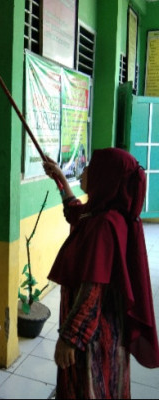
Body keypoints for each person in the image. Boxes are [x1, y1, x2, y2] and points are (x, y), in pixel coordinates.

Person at [43, 148, 159, 399]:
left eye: (90, 167)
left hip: (93, 339)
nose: (84, 171)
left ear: (106, 177)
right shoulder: (103, 213)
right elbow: (75, 211)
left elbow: (91, 293)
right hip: (102, 332)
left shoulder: (104, 225)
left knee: (92, 388)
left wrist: (70, 338)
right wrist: (61, 179)